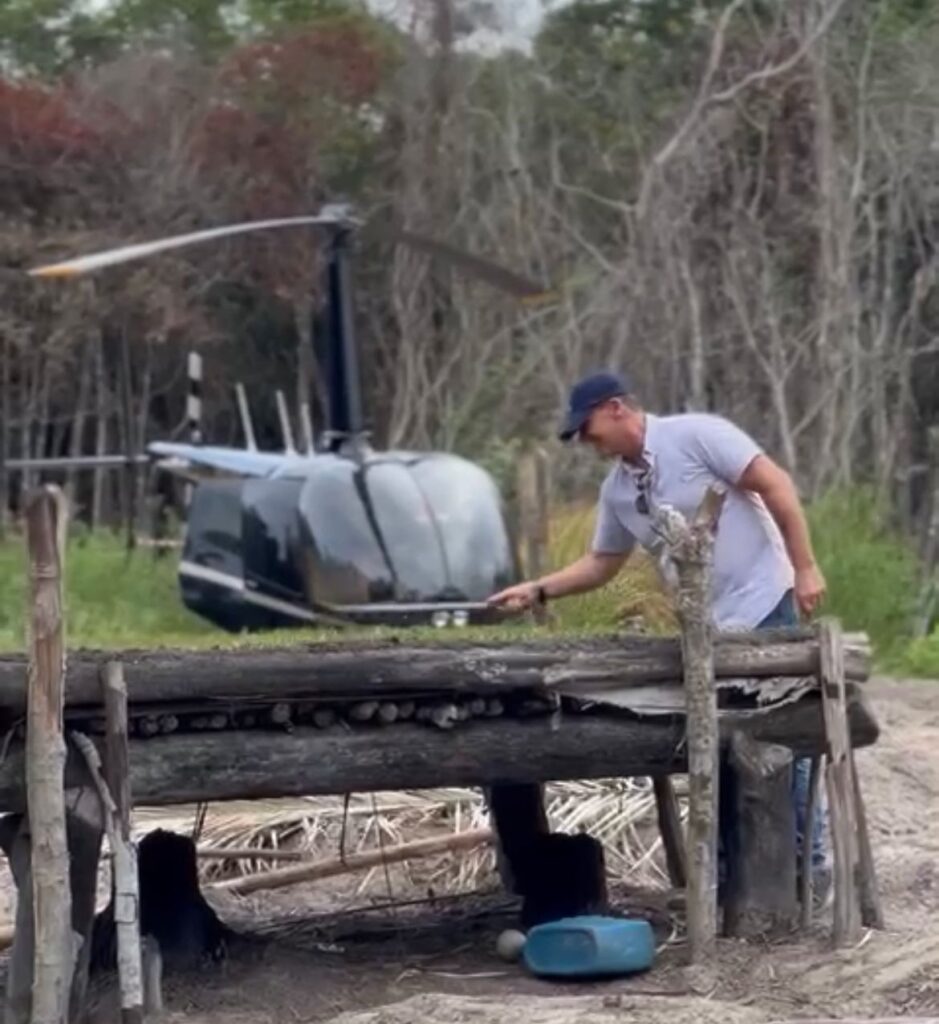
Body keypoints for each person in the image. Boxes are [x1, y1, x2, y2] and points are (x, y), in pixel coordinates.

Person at [487, 370, 832, 909]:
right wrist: (537, 589)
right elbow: (602, 563)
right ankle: (733, 881)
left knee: (785, 737)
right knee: (720, 747)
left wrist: (806, 567)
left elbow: (775, 485)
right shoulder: (620, 490)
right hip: (707, 627)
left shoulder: (698, 436)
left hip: (765, 599)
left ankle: (810, 873)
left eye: (589, 427)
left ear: (618, 408)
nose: (586, 441)